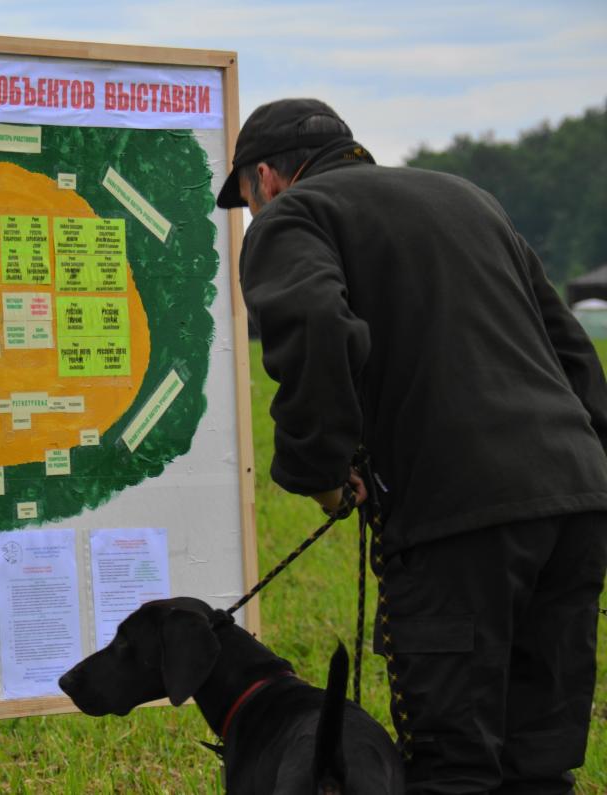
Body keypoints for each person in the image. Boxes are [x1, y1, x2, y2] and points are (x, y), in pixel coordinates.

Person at [216, 97, 607, 794]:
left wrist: (320, 470)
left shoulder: (293, 216)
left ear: (266, 178)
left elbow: (315, 326)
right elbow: (572, 352)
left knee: (453, 764)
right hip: (576, 503)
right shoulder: (468, 198)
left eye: (246, 200)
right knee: (540, 762)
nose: (252, 213)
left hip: (458, 518)